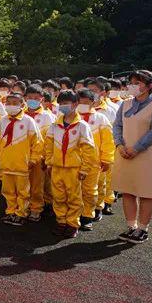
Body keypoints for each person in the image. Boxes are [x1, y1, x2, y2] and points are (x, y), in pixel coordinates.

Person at [112, 70, 152, 244]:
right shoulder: (125, 103)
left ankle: (143, 229)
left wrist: (136, 149)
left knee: (145, 193)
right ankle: (131, 226)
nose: (133, 86)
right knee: (127, 190)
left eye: (137, 83)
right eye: (132, 82)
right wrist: (119, 145)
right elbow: (117, 126)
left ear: (149, 86)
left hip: (145, 155)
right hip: (124, 153)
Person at [44, 90, 95, 238]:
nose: (63, 106)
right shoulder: (55, 125)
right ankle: (61, 221)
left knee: (73, 197)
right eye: (61, 104)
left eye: (66, 103)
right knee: (58, 196)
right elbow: (48, 146)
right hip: (57, 167)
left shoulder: (82, 126)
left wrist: (85, 169)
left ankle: (72, 223)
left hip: (74, 169)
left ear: (75, 104)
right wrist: (49, 162)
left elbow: (88, 149)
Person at [0, 93, 42, 226]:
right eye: (8, 103)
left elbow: (37, 143)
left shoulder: (28, 121)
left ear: (22, 105)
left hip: (22, 164)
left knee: (22, 191)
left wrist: (33, 160)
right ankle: (10, 211)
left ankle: (21, 213)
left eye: (15, 103)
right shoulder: (2, 121)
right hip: (7, 163)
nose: (11, 106)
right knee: (8, 190)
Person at [75, 88, 115, 231]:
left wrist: (106, 159)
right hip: (74, 162)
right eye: (80, 102)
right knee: (74, 189)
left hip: (94, 162)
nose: (82, 105)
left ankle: (88, 215)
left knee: (91, 189)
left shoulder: (100, 119)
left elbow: (108, 141)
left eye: (86, 102)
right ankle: (75, 214)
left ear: (93, 102)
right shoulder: (71, 118)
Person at [24, 85, 56, 221]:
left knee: (38, 184)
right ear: (25, 98)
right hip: (22, 156)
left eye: (36, 98)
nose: (33, 100)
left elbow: (51, 140)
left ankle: (37, 208)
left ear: (42, 99)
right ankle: (22, 206)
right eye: (30, 98)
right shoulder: (20, 115)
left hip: (39, 157)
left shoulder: (48, 117)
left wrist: (47, 157)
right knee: (23, 183)